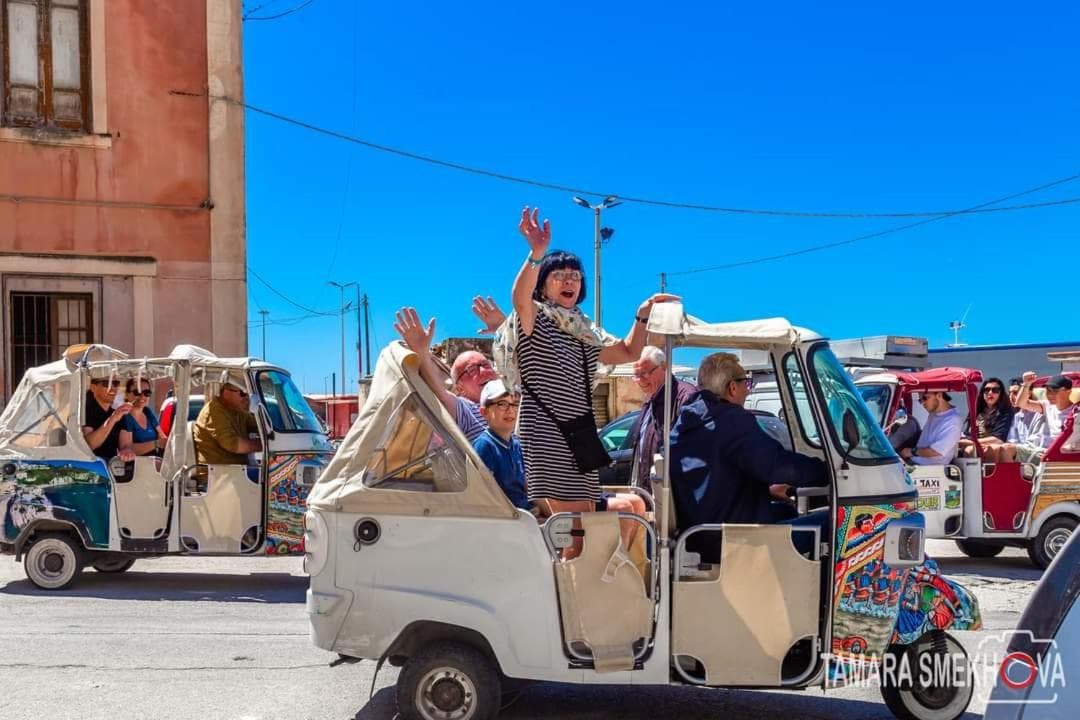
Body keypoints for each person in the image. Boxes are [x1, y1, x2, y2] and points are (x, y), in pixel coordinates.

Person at [499, 207, 672, 551]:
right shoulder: (535, 319)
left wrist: (642, 316)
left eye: (575, 276)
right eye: (559, 275)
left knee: (584, 524)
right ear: (543, 284)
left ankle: (598, 575)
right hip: (547, 433)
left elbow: (628, 351)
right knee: (574, 528)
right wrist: (536, 253)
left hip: (580, 436)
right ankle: (578, 581)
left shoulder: (585, 332)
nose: (569, 281)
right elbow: (519, 298)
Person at [668, 352, 829, 527]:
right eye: (746, 383)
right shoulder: (732, 421)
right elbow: (776, 466)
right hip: (732, 535)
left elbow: (719, 474)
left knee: (787, 510)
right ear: (732, 387)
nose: (748, 389)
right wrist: (826, 472)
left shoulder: (685, 422)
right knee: (833, 522)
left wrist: (765, 491)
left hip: (701, 527)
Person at [393, 307, 498, 441]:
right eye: (472, 370)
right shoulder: (468, 412)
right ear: (460, 389)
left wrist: (504, 330)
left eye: (486, 365)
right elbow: (441, 395)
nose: (483, 371)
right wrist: (421, 351)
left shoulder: (515, 397)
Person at [627, 345, 697, 492]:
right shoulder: (650, 397)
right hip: (648, 488)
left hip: (669, 491)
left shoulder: (684, 397)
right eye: (636, 375)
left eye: (644, 374)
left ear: (664, 367)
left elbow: (691, 452)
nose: (640, 381)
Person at [471, 379, 529, 510]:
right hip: (509, 516)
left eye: (515, 404)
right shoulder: (484, 446)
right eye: (502, 404)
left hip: (527, 513)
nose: (510, 410)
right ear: (484, 412)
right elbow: (483, 497)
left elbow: (528, 486)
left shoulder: (517, 445)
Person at [998, 373, 1078, 463]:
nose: (1049, 394)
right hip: (1042, 452)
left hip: (1063, 455)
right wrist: (1026, 383)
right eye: (1048, 390)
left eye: (1055, 391)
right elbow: (1021, 403)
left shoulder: (1076, 411)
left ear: (1068, 391)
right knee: (1004, 449)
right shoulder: (1047, 405)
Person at [193, 379, 262, 467]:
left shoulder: (236, 410)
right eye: (243, 393)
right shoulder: (214, 411)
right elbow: (232, 444)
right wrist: (263, 444)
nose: (247, 397)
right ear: (226, 393)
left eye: (249, 393)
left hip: (236, 469)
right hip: (219, 472)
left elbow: (258, 426)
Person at [900, 391, 962, 465]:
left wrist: (911, 451)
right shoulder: (935, 413)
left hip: (927, 467)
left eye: (925, 398)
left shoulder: (952, 421)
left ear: (939, 395)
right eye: (920, 400)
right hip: (916, 461)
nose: (922, 403)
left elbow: (936, 451)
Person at [960, 377, 1014, 461]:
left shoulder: (1005, 413)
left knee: (971, 450)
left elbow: (998, 439)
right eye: (987, 390)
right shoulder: (976, 411)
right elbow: (968, 433)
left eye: (995, 390)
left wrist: (972, 442)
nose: (990, 393)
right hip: (975, 444)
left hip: (994, 446)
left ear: (1000, 393)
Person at [83, 377, 136, 462]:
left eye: (115, 384)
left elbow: (126, 445)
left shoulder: (118, 414)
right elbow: (89, 445)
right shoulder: (84, 411)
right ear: (93, 388)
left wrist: (127, 451)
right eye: (106, 384)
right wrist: (113, 419)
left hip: (112, 465)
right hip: (89, 464)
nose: (112, 389)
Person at [118, 378, 166, 457]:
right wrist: (156, 444)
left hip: (155, 461)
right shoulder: (125, 416)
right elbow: (126, 449)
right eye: (137, 392)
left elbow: (163, 438)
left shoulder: (147, 412)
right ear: (127, 394)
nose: (142, 396)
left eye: (147, 393)